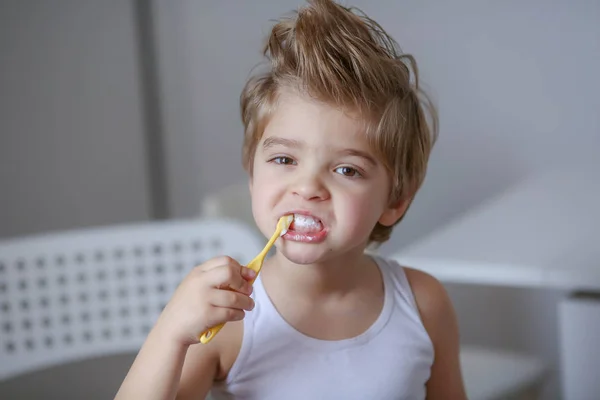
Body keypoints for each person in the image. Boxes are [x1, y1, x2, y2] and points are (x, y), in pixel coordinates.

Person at [115, 0, 466, 399]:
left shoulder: (423, 304)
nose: (307, 187)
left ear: (396, 200)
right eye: (284, 159)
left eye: (347, 170)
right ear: (252, 175)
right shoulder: (230, 318)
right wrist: (171, 332)